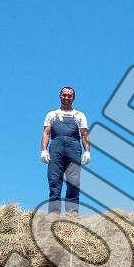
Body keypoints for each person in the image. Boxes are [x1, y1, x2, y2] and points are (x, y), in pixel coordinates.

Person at [41, 86, 91, 214]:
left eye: (69, 95)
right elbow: (46, 133)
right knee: (54, 180)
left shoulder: (79, 115)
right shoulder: (52, 114)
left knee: (73, 182)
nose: (66, 97)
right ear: (60, 96)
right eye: (64, 95)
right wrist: (44, 150)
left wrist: (87, 151)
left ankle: (72, 213)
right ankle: (54, 213)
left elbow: (84, 134)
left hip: (73, 149)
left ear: (73, 98)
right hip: (56, 149)